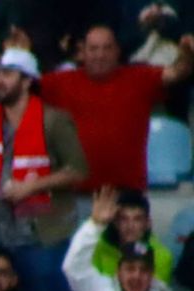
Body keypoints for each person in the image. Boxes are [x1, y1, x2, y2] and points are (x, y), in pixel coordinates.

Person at [0, 49, 86, 291]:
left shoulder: (54, 119)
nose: (0, 80)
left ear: (27, 81)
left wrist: (32, 187)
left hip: (40, 238)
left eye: (8, 74)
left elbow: (78, 170)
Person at [41, 25, 194, 196]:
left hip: (127, 197)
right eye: (94, 49)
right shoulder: (59, 82)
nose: (100, 55)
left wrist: (187, 52)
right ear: (82, 52)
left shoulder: (139, 78)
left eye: (107, 48)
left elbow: (177, 72)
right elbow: (18, 85)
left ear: (117, 51)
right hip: (76, 195)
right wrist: (18, 52)